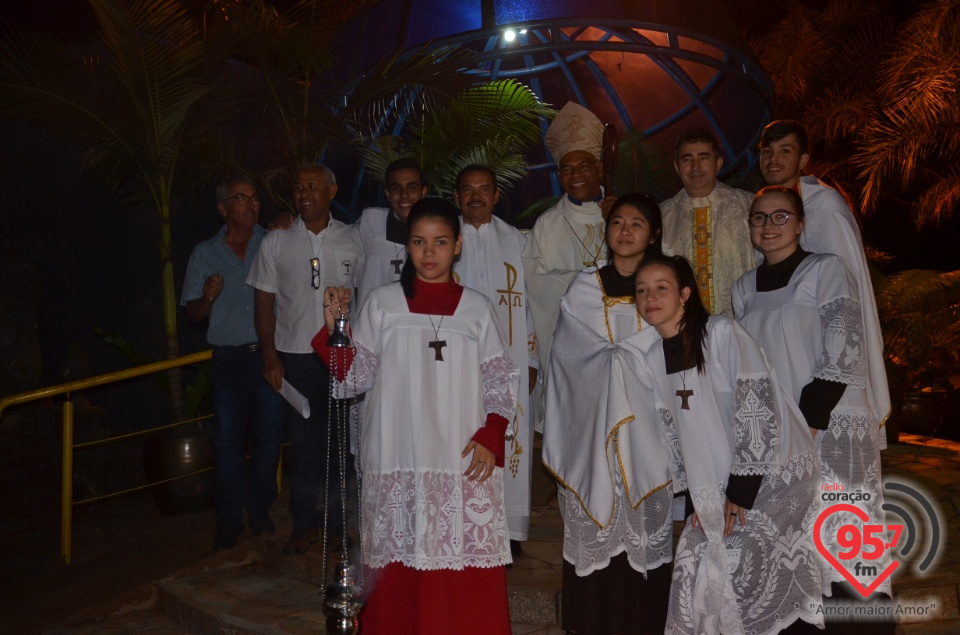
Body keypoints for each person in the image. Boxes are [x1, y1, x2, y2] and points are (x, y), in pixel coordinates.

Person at [312, 198, 519, 635]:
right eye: (419, 242)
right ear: (407, 247)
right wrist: (335, 331)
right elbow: (354, 380)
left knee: (463, 565)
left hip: (462, 456)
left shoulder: (478, 309)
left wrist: (492, 432)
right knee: (399, 569)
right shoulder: (383, 304)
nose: (429, 253)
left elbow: (501, 381)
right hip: (398, 454)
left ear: (457, 245)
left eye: (440, 242)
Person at [630, 254, 823, 635]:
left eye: (661, 288)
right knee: (701, 575)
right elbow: (674, 433)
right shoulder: (652, 357)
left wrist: (740, 489)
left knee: (752, 579)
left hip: (770, 478)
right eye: (641, 290)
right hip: (717, 485)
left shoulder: (720, 333)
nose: (650, 297)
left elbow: (756, 405)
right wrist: (697, 500)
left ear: (685, 293)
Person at [733, 187, 893, 631]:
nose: (769, 226)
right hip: (781, 431)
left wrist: (808, 423)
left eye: (781, 216)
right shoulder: (743, 288)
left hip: (831, 420)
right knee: (794, 540)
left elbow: (842, 346)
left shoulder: (826, 269)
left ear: (801, 224)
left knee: (843, 535)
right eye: (759, 218)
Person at [543, 193, 673, 635]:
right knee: (594, 536)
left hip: (647, 432)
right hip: (592, 432)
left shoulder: (665, 286)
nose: (625, 231)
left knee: (644, 535)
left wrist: (628, 365)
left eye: (637, 223)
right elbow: (566, 357)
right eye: (617, 222)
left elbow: (675, 349)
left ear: (653, 234)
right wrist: (615, 364)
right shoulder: (583, 288)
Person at [246, 163, 364, 556]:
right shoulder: (276, 241)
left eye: (312, 186)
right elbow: (263, 300)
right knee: (303, 443)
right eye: (298, 188)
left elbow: (365, 294)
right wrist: (269, 355)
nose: (304, 194)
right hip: (295, 357)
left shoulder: (353, 238)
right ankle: (302, 524)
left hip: (340, 354)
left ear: (332, 191)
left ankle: (334, 523)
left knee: (339, 443)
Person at [758, 120, 890, 442]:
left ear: (803, 160)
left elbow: (847, 293)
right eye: (767, 151)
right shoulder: (763, 208)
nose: (774, 159)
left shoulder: (825, 206)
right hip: (787, 349)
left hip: (829, 353)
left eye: (784, 151)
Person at [181, 177, 285, 552]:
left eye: (255, 198)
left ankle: (260, 510)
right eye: (241, 198)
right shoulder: (204, 253)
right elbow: (193, 313)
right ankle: (228, 518)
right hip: (227, 359)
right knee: (227, 441)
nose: (251, 204)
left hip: (269, 353)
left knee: (269, 437)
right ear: (223, 208)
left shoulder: (272, 239)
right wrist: (207, 298)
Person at [452, 164, 539, 557]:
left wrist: (533, 356)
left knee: (510, 439)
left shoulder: (516, 241)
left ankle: (506, 531)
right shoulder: (446, 239)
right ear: (457, 197)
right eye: (468, 190)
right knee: (466, 439)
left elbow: (531, 300)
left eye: (483, 189)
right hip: (458, 361)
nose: (475, 196)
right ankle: (467, 524)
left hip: (510, 357)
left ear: (495, 195)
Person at [521, 101, 617, 431]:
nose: (575, 175)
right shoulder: (547, 226)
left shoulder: (628, 216)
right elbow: (536, 290)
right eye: (566, 168)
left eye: (584, 165)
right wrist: (592, 281)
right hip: (568, 353)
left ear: (601, 168)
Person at [660, 128, 754, 317]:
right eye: (687, 159)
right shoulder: (662, 215)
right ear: (677, 167)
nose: (695, 167)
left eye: (704, 158)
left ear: (718, 163)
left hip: (741, 323)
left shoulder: (748, 205)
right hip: (683, 326)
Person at [355, 158, 428, 303]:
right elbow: (338, 238)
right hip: (372, 319)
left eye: (412, 187)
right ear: (388, 194)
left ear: (423, 191)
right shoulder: (370, 222)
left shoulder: (436, 229)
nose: (404, 195)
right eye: (396, 188)